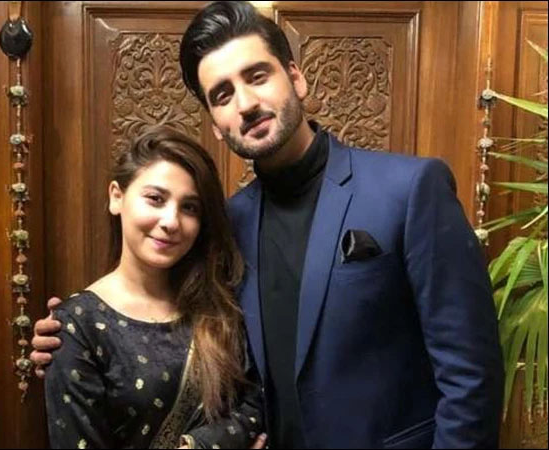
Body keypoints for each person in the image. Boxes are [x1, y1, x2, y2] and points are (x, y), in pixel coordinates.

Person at [33, 2, 504, 448]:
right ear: (216, 125)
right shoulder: (227, 223)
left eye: (257, 76)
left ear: (295, 78)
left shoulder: (409, 188)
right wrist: (68, 338)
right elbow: (163, 314)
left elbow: (471, 375)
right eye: (222, 95)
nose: (245, 103)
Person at [42, 126, 265, 449]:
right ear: (117, 197)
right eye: (155, 199)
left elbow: (255, 405)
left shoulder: (218, 305)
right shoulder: (78, 325)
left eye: (190, 207)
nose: (171, 221)